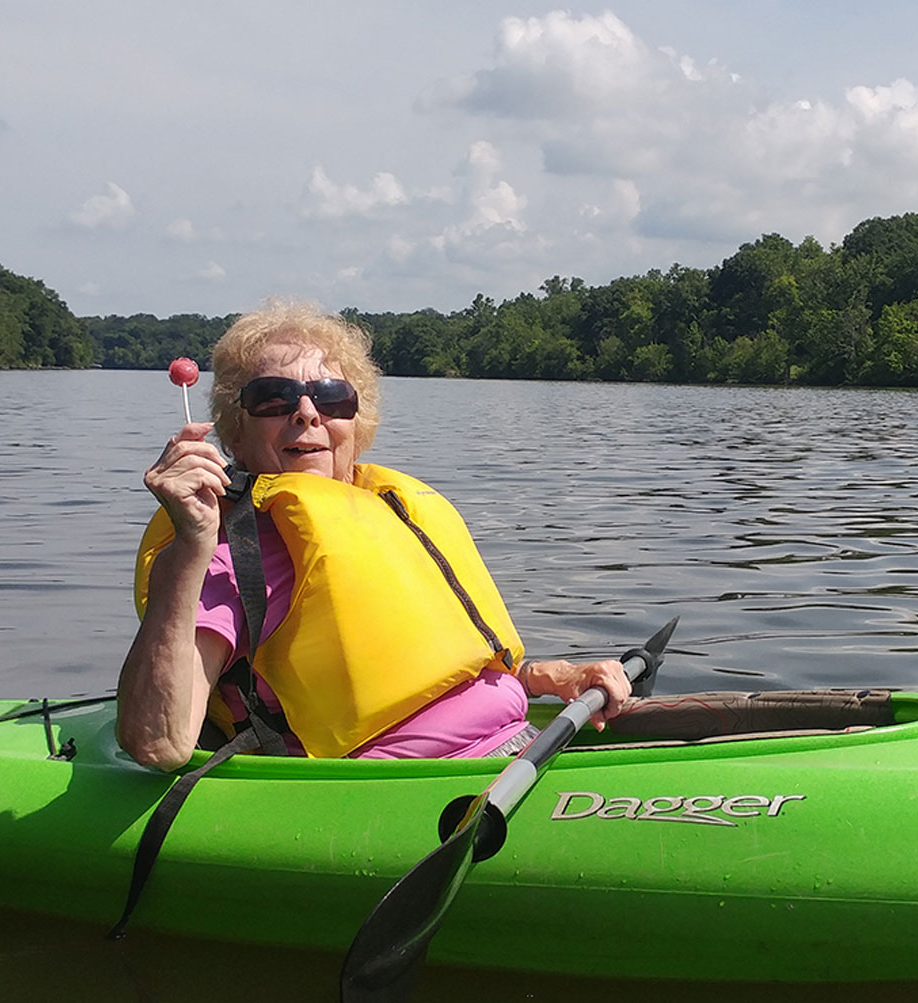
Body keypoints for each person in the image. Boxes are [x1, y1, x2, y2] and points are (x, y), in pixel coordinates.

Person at [118, 301, 630, 771]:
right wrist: (190, 544)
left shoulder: (392, 509)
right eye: (274, 399)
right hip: (406, 789)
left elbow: (440, 671)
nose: (307, 412)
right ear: (235, 430)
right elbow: (158, 744)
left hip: (520, 745)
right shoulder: (231, 553)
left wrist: (548, 676)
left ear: (355, 423)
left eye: (331, 397)